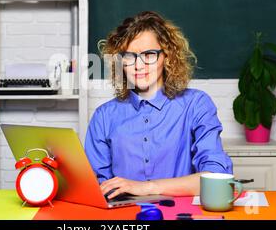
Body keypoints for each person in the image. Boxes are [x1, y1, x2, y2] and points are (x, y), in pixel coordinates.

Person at [84, 11, 233, 199]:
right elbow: (95, 189)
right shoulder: (103, 116)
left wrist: (147, 187)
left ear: (167, 56)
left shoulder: (196, 105)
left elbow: (218, 179)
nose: (138, 65)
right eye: (128, 57)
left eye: (149, 55)